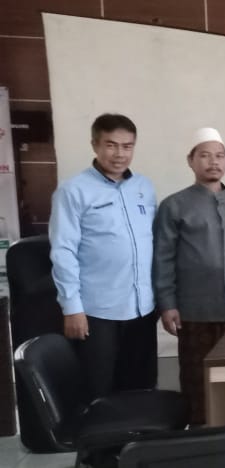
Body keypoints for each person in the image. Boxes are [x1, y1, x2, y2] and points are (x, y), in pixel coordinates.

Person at [152, 127, 225, 425]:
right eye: (205, 155)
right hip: (195, 310)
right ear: (191, 160)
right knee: (197, 376)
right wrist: (167, 303)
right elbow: (162, 258)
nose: (214, 162)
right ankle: (199, 432)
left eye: (220, 156)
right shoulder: (174, 205)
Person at [49, 113, 158, 399]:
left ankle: (138, 430)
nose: (120, 154)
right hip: (97, 312)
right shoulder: (73, 191)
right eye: (111, 145)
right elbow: (63, 250)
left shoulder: (144, 187)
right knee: (98, 390)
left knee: (141, 388)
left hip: (142, 309)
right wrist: (72, 308)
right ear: (95, 145)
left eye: (127, 146)